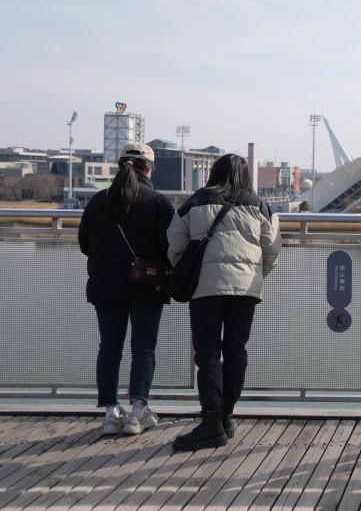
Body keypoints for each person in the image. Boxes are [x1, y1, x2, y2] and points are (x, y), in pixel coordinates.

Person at [167, 153, 281, 451]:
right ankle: (226, 416)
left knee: (207, 355)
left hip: (205, 289)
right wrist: (254, 276)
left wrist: (191, 271)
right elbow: (272, 251)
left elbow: (174, 243)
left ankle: (211, 424)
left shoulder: (196, 201)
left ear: (214, 172)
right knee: (236, 350)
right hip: (246, 289)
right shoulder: (259, 205)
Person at [78, 142, 174, 436]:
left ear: (120, 166)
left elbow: (85, 243)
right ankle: (137, 413)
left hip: (105, 287)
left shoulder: (98, 201)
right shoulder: (158, 202)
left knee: (109, 349)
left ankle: (110, 414)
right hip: (145, 285)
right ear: (149, 169)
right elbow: (170, 247)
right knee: (143, 349)